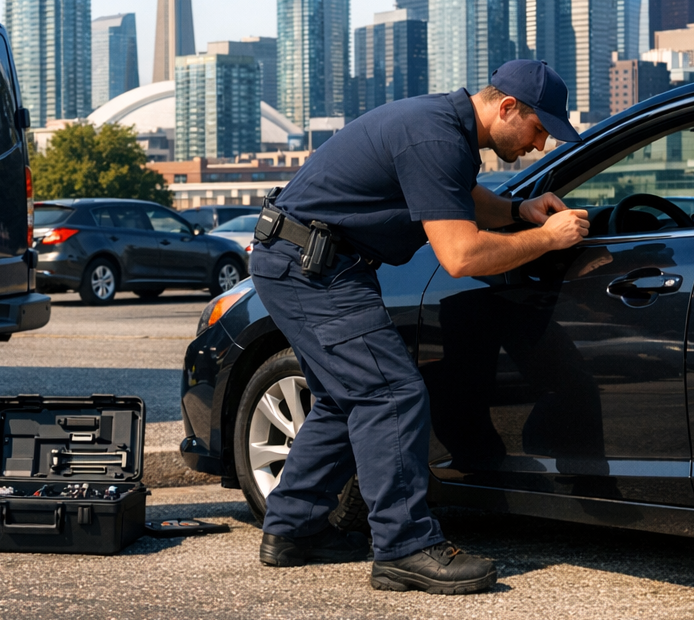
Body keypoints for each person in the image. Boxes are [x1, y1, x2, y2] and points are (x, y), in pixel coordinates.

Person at [249, 59, 590, 593]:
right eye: (538, 128)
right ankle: (404, 547)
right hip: (311, 267)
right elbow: (460, 256)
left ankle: (294, 532)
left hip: (304, 260)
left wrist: (520, 211)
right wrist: (549, 239)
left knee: (347, 398)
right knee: (391, 393)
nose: (540, 144)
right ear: (506, 108)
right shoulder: (436, 138)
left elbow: (460, 198)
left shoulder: (441, 128)